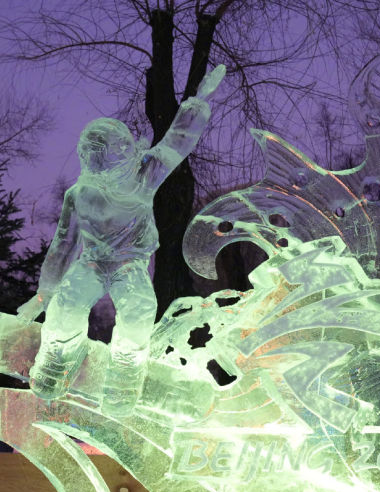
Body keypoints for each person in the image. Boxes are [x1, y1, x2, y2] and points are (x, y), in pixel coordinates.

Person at [16, 64, 225, 417]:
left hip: (129, 263)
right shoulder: (79, 195)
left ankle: (126, 369)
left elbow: (177, 141)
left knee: (139, 307)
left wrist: (198, 102)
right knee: (67, 304)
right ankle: (60, 354)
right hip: (92, 263)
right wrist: (43, 295)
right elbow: (63, 247)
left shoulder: (143, 176)